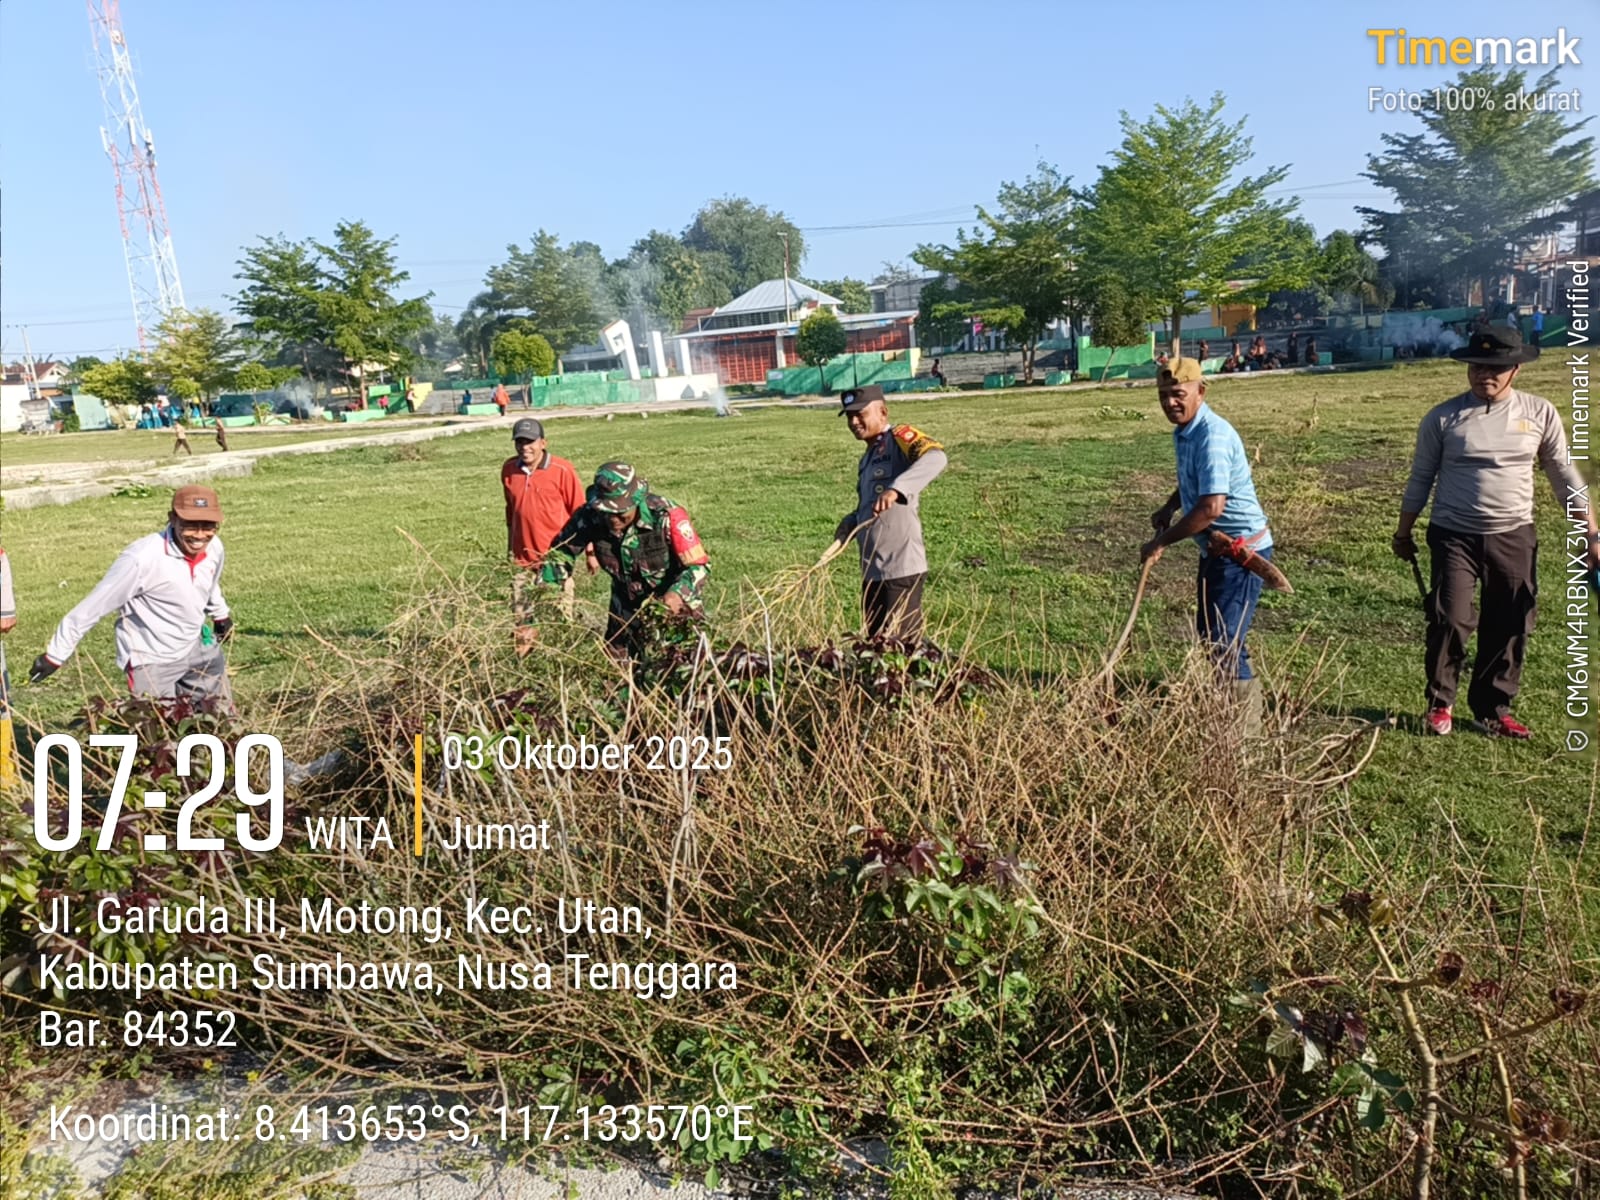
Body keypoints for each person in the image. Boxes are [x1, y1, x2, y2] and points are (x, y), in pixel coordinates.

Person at [1392, 325, 1597, 738]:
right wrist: (1404, 532)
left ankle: (1492, 708)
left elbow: (1563, 474)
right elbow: (1421, 477)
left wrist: (1591, 531)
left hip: (1513, 534)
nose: (1484, 374)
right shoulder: (1443, 417)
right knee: (1450, 618)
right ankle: (1440, 703)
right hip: (1454, 534)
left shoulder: (1539, 413)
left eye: (1495, 368)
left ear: (1515, 369)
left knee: (1511, 620)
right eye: (1477, 366)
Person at [1142, 359, 1275, 733]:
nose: (1170, 403)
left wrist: (1161, 542)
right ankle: (1227, 711)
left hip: (1241, 553)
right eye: (1163, 395)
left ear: (1200, 392)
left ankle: (1243, 735)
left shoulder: (1211, 436)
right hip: (1216, 549)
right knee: (1213, 633)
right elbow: (1197, 481)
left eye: (1178, 394)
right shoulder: (1188, 431)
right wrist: (1170, 506)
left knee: (1224, 640)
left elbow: (1211, 508)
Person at [29, 485, 236, 710]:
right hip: (152, 658)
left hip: (197, 646)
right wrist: (55, 655)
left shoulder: (214, 547)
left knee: (219, 717)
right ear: (172, 518)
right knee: (157, 726)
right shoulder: (141, 559)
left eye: (208, 525)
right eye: (190, 525)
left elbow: (208, 582)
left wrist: (220, 614)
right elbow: (93, 606)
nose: (200, 535)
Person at [544, 463, 710, 656]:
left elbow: (699, 566)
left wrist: (676, 594)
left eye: (620, 512)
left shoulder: (667, 515)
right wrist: (539, 609)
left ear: (636, 501)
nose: (612, 519)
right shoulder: (590, 516)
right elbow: (558, 556)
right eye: (606, 512)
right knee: (616, 670)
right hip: (624, 613)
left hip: (673, 611)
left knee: (681, 666)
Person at [834, 384, 948, 642]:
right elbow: (871, 505)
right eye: (849, 416)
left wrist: (897, 489)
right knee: (875, 646)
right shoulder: (867, 457)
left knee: (900, 648)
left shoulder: (898, 439)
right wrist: (852, 521)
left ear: (883, 412)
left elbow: (936, 458)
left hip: (900, 569)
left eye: (860, 414)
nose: (853, 422)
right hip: (873, 571)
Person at [502, 417, 588, 653]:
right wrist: (510, 551)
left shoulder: (562, 470)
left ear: (543, 443)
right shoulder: (509, 470)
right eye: (519, 442)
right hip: (522, 560)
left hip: (555, 558)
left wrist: (591, 552)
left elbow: (581, 512)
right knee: (521, 618)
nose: (525, 447)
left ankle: (561, 657)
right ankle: (525, 662)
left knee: (557, 616)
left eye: (530, 442)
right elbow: (511, 512)